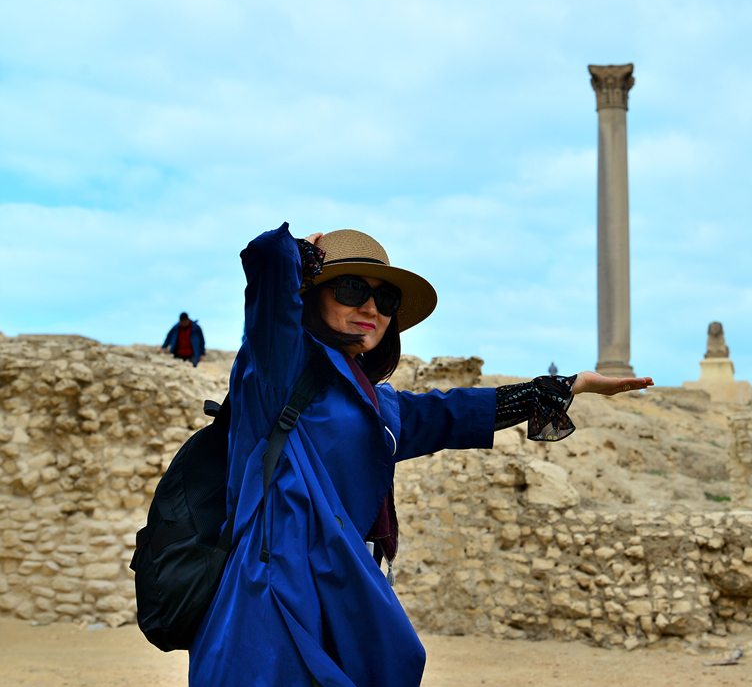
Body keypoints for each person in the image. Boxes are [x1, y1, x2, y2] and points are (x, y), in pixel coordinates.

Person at [187, 223, 652, 687]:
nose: (371, 308)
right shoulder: (274, 369)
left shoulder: (378, 405)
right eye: (351, 290)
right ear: (312, 294)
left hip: (345, 600)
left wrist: (568, 385)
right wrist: (297, 253)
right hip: (268, 604)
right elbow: (267, 264)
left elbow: (452, 412)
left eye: (386, 298)